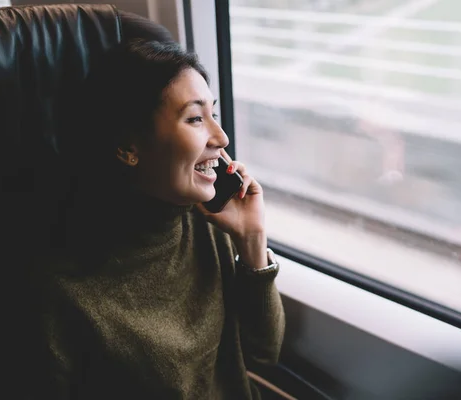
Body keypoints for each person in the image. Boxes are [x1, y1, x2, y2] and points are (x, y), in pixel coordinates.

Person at [25, 39, 285, 399]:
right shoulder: (63, 287)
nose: (221, 137)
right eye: (195, 119)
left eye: (214, 115)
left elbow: (264, 353)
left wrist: (252, 239)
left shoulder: (207, 224)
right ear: (128, 148)